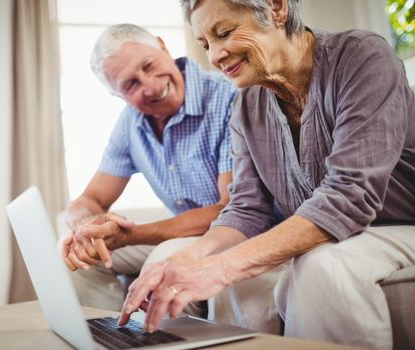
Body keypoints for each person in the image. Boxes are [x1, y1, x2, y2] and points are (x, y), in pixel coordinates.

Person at [119, 1, 415, 349]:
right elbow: (246, 210)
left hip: (398, 225)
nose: (214, 56)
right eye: (204, 44)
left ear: (276, 8)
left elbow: (349, 197)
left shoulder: (362, 58)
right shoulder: (245, 104)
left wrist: (221, 268)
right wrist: (189, 258)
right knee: (199, 263)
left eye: (224, 33)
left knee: (320, 266)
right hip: (341, 233)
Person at [58, 23, 239, 314]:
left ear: (162, 46)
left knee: (164, 257)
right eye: (130, 84)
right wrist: (86, 229)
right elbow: (89, 200)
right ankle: (106, 335)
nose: (151, 86)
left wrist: (131, 235)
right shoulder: (130, 123)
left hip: (234, 231)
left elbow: (229, 210)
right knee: (73, 254)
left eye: (149, 65)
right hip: (188, 233)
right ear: (118, 96)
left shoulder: (228, 98)